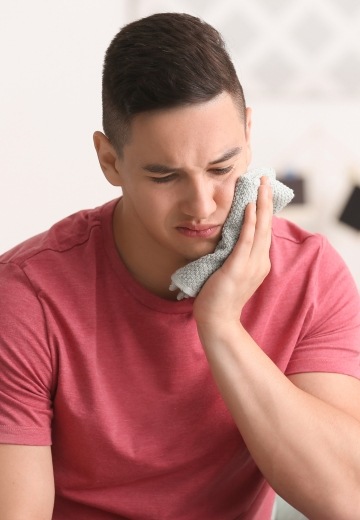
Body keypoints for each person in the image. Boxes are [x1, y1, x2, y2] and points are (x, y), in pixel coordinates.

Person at [0, 12, 360, 520]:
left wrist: (220, 325)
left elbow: (347, 498)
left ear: (249, 133)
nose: (202, 205)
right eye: (165, 176)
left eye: (221, 168)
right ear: (109, 161)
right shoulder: (25, 297)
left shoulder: (309, 274)